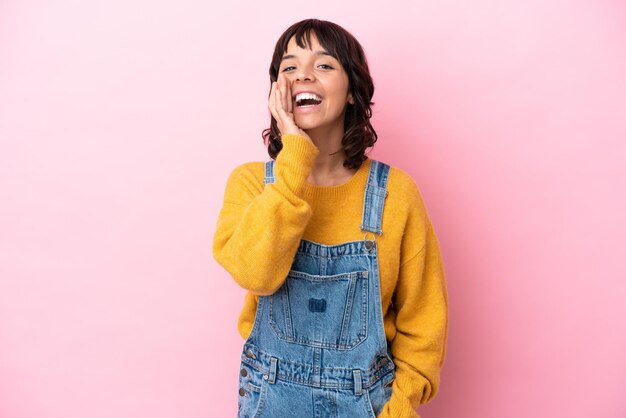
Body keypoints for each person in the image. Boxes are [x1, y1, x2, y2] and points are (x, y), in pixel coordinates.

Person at [212, 18, 448, 418]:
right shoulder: (252, 185)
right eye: (289, 67)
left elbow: (424, 326)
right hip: (271, 403)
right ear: (276, 93)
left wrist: (399, 408)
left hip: (367, 406)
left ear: (354, 91)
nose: (303, 74)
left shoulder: (394, 194)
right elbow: (257, 274)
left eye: (323, 65)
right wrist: (295, 157)